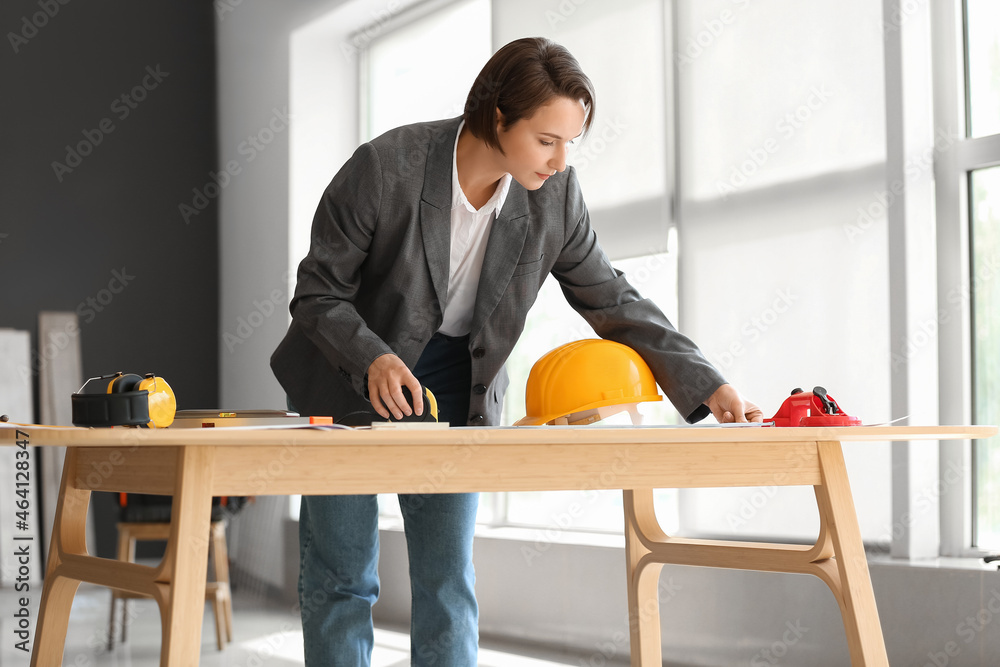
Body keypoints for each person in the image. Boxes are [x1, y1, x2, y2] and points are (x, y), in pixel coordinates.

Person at [271, 36, 762, 667]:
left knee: (447, 580)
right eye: (547, 140)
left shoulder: (554, 196)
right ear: (498, 117)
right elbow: (316, 295)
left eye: (571, 143)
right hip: (346, 379)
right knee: (343, 576)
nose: (560, 162)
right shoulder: (387, 167)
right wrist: (372, 357)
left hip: (455, 382)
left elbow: (612, 298)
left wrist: (707, 384)